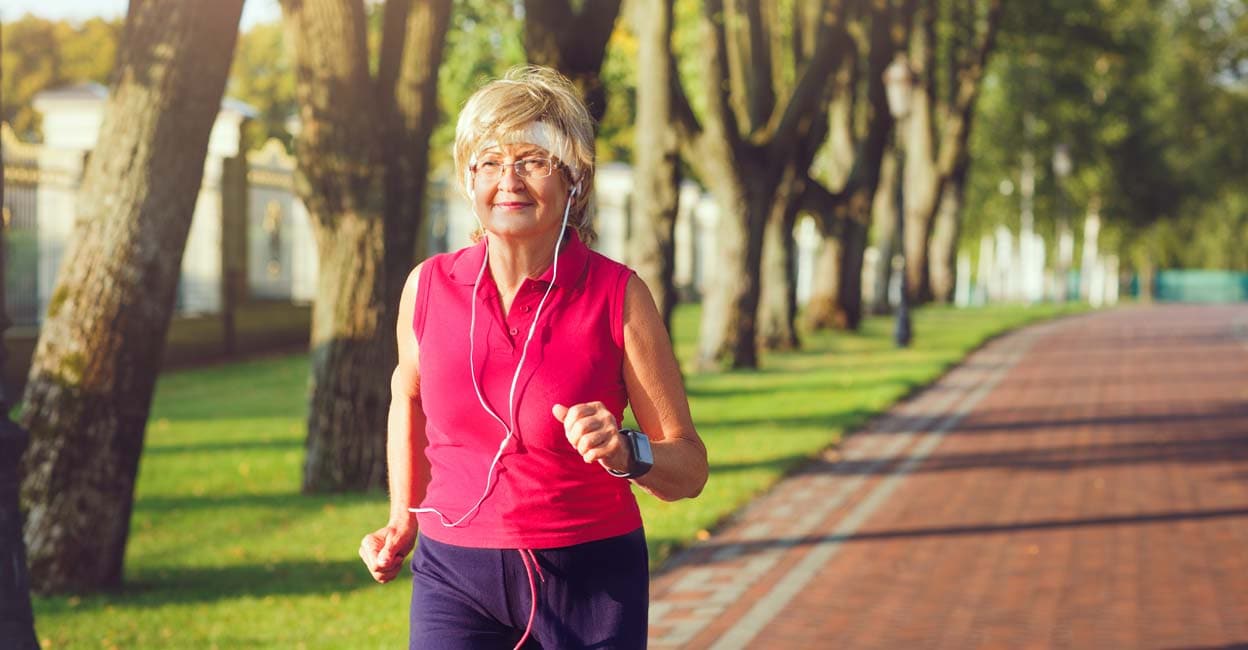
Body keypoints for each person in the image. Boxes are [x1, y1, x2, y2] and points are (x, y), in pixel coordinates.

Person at [358, 65, 708, 649]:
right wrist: (403, 513)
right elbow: (408, 393)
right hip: (454, 574)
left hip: (591, 577)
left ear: (574, 180)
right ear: (469, 182)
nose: (509, 179)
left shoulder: (617, 296)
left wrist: (624, 448)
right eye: (490, 162)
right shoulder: (428, 287)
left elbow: (689, 469)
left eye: (533, 161)